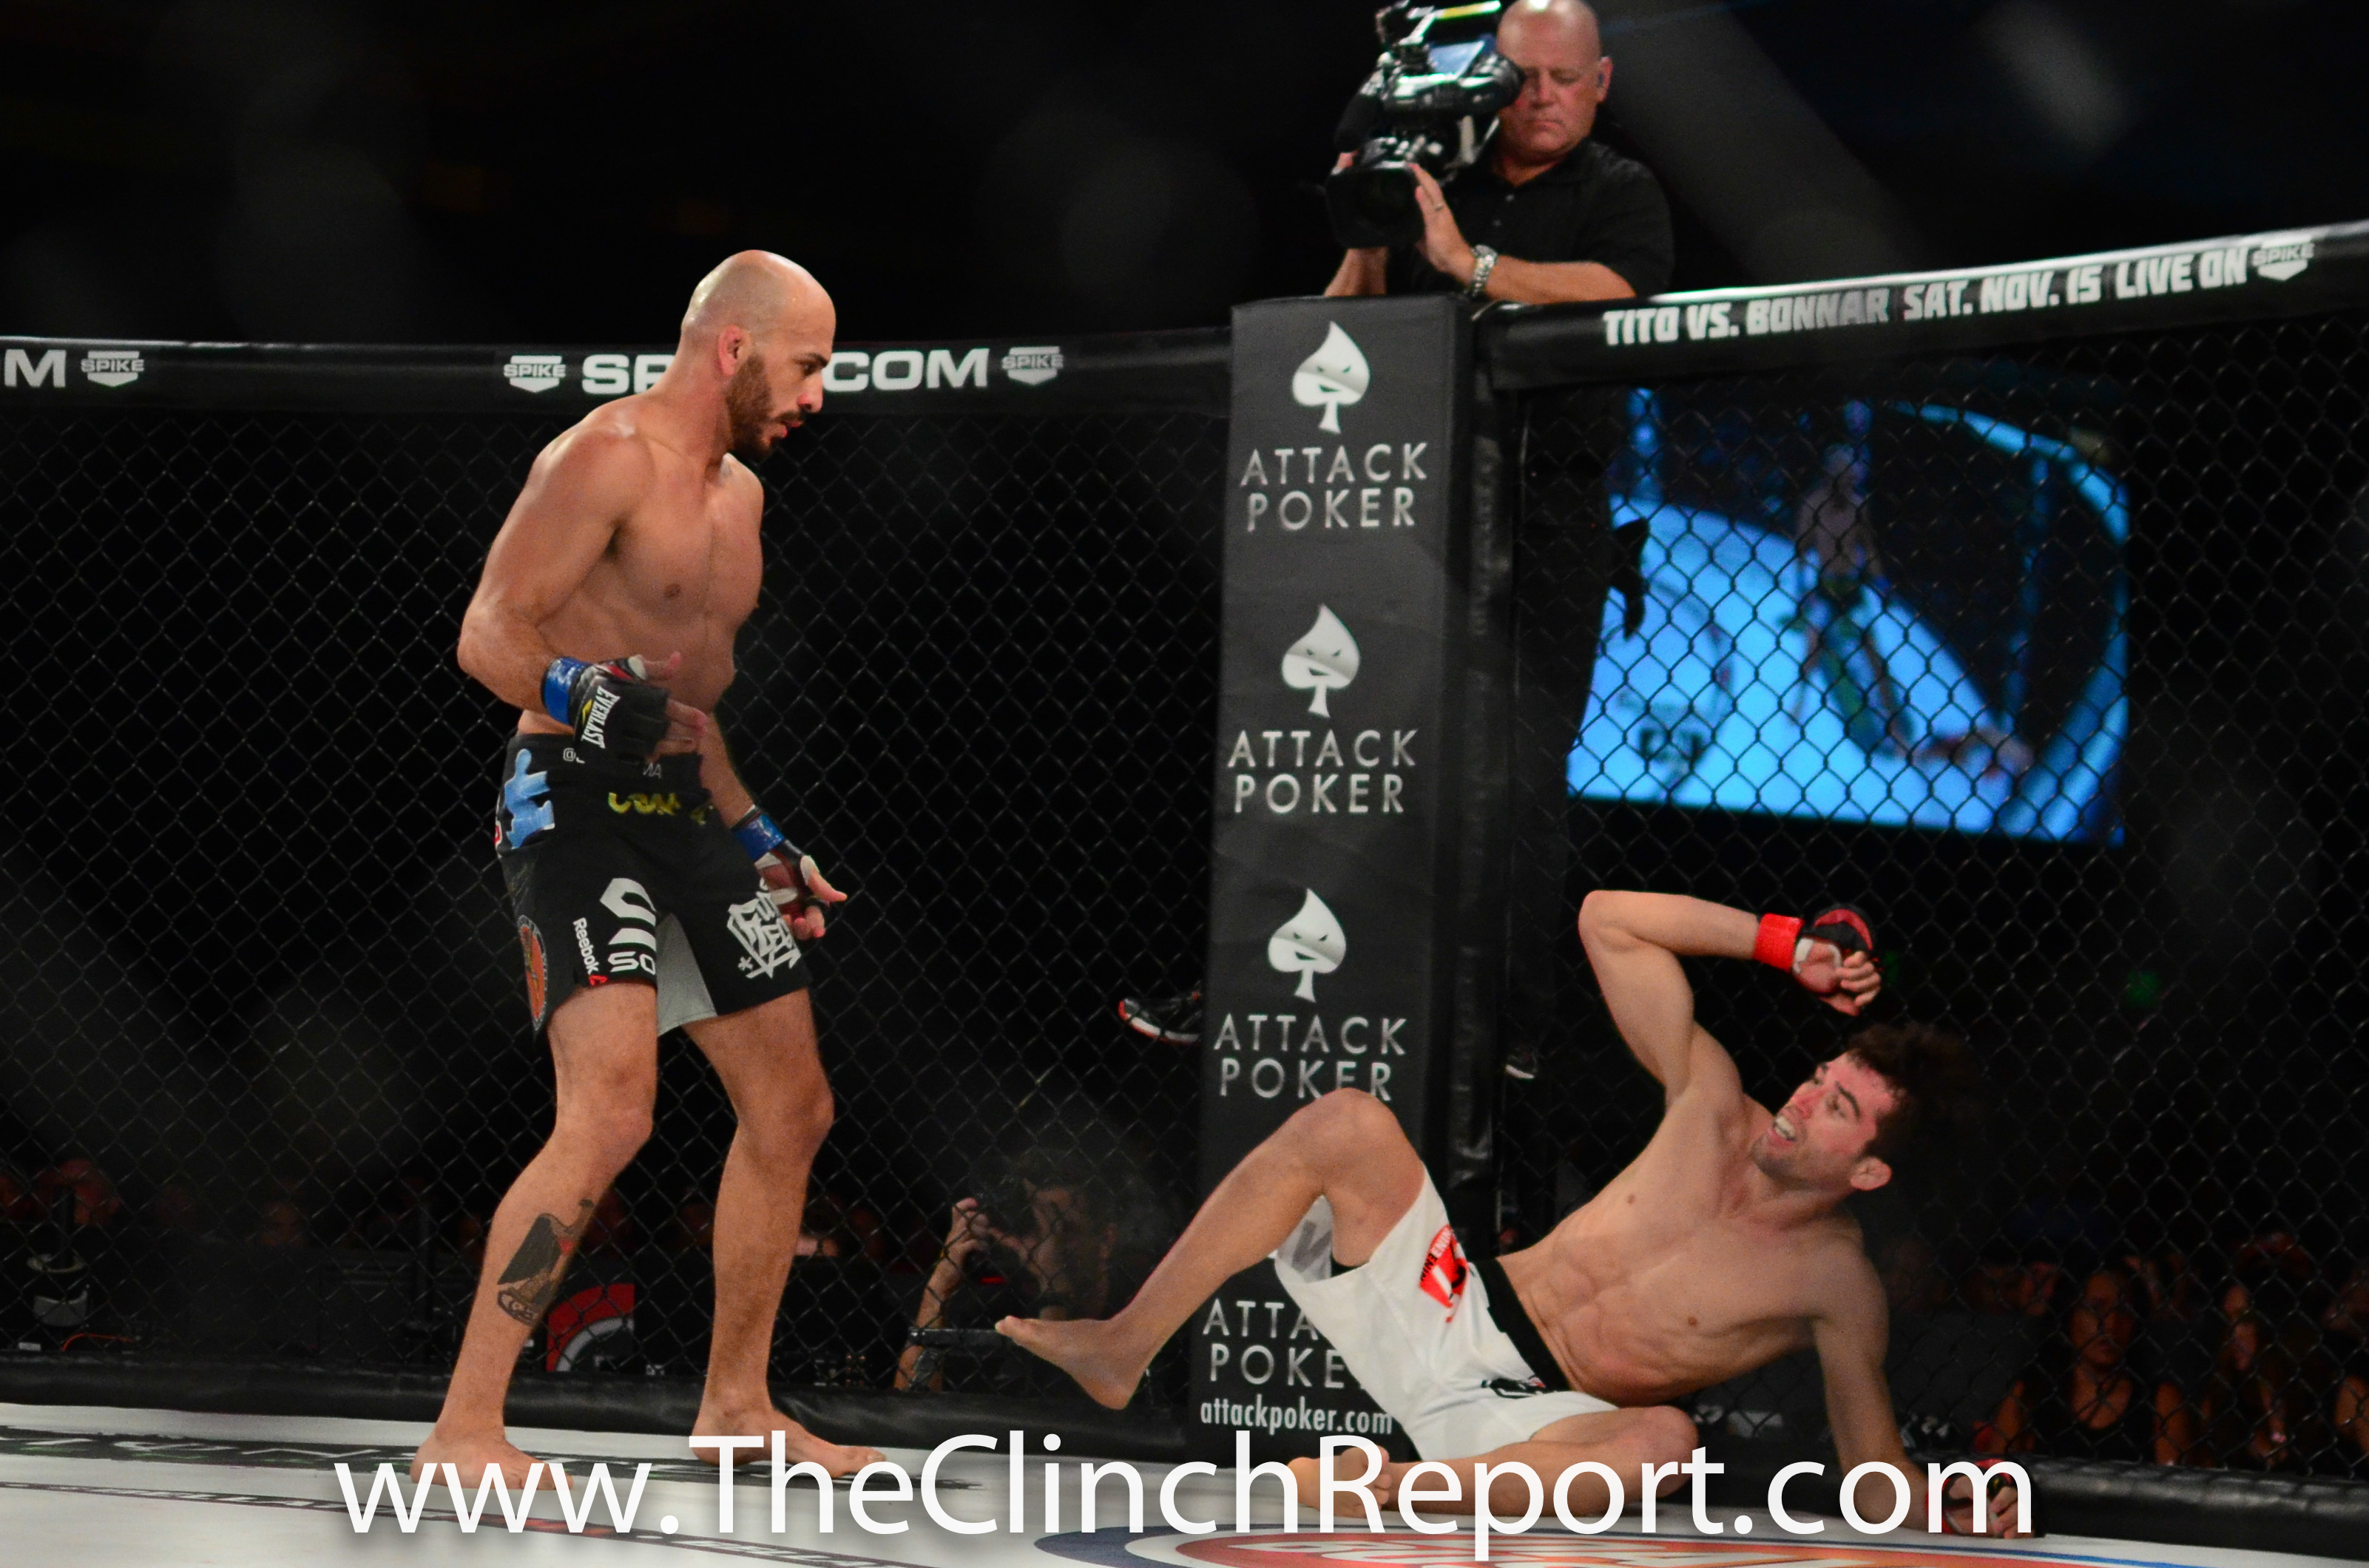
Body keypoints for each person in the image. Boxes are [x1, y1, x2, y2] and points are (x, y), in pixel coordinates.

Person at [1006, 890, 2013, 1532]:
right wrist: (1781, 945)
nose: (1801, 1095)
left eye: (1835, 1107)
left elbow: (1870, 1474)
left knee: (1666, 1442)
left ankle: (1386, 1484)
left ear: (1867, 1172)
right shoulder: (1708, 1101)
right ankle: (1123, 1345)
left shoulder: (1834, 1281)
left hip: (1528, 1422)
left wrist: (1945, 1503)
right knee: (1348, 1122)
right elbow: (1607, 920)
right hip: (1450, 1306)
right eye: (1820, 1074)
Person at [411, 251, 874, 1487]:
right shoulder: (602, 458)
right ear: (734, 348)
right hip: (570, 803)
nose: (816, 396)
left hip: (682, 814)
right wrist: (584, 693)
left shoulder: (742, 501)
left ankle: (735, 1407)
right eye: (807, 366)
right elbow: (487, 632)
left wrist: (760, 838)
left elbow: (685, 714)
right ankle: (464, 1429)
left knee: (793, 1104)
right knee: (612, 1113)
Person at [1325, 0, 1672, 307]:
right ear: (1493, 77)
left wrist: (1467, 263)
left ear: (1601, 81)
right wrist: (1367, 234)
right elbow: (1338, 331)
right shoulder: (1436, 178)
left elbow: (1622, 292)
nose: (1543, 96)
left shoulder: (1622, 187)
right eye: (1524, 77)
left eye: (1565, 78)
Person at [1985, 1268, 2185, 1464]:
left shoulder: (2161, 1400)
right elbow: (1997, 1473)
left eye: (2124, 1310)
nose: (2111, 1323)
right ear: (2069, 1315)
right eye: (2095, 1309)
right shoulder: (2030, 1393)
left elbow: (2175, 1480)